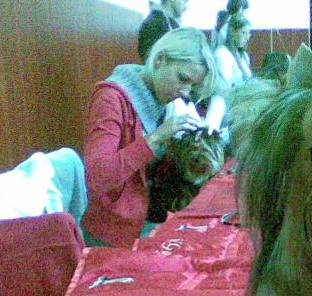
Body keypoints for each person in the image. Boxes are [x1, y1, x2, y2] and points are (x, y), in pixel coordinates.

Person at [81, 28, 218, 247]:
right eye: (183, 79)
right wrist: (156, 138)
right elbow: (98, 177)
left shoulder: (160, 103)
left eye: (192, 86)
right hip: (109, 233)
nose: (185, 91)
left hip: (141, 221)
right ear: (160, 59)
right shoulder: (110, 98)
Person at [213, 14, 253, 89]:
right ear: (232, 31)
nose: (247, 38)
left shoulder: (243, 55)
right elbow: (224, 88)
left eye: (249, 33)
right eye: (243, 33)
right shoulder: (222, 55)